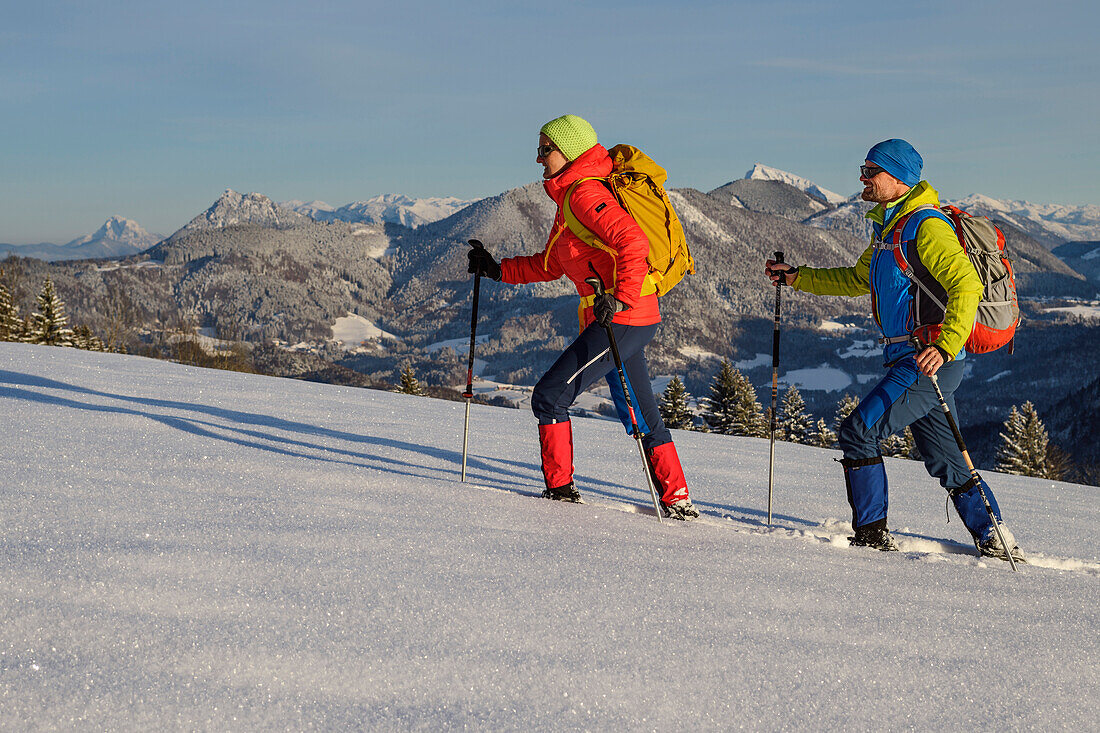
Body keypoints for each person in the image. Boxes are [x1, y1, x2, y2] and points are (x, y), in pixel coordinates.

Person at [764, 138, 1021, 559]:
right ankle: (995, 539)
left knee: (859, 431)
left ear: (898, 177)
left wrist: (946, 345)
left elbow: (967, 285)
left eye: (871, 171)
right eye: (862, 170)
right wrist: (796, 277)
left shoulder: (925, 226)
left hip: (927, 360)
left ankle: (870, 539)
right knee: (949, 461)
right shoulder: (891, 229)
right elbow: (855, 279)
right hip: (916, 357)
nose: (862, 178)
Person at [467, 114, 698, 520]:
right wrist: (496, 268)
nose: (538, 159)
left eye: (545, 150)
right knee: (640, 410)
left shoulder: (583, 194)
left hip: (622, 317)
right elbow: (551, 264)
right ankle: (677, 500)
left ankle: (560, 498)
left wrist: (621, 299)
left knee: (549, 396)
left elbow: (632, 241)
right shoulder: (570, 197)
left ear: (569, 151)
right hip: (627, 316)